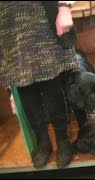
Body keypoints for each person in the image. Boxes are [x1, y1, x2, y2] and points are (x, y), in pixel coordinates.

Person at [0, 1, 78, 168]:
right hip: (6, 21)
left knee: (51, 79)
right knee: (23, 84)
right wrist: (9, 90)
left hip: (39, 14)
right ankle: (43, 140)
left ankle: (62, 138)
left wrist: (65, 6)